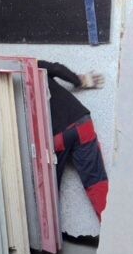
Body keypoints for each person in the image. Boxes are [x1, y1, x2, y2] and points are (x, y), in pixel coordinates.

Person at [37, 60, 108, 221]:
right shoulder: (32, 64)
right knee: (96, 182)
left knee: (49, 189)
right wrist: (80, 80)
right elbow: (57, 68)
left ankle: (47, 231)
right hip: (80, 122)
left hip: (57, 137)